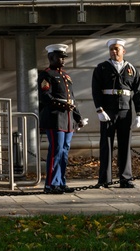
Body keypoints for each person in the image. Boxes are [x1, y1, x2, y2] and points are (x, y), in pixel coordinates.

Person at [91, 38, 140, 188]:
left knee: (125, 145)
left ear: (123, 51)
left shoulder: (131, 69)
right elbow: (96, 90)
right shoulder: (101, 68)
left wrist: (139, 113)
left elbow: (138, 92)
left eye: (117, 49)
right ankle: (104, 180)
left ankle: (125, 178)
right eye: (111, 49)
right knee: (105, 145)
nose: (114, 52)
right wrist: (99, 109)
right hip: (108, 111)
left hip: (125, 111)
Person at [38, 43, 87, 194]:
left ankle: (61, 182)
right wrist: (61, 105)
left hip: (68, 119)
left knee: (64, 151)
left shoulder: (66, 76)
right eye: (60, 57)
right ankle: (50, 184)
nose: (63, 60)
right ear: (51, 57)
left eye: (64, 57)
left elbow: (72, 98)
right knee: (56, 151)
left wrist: (78, 118)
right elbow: (45, 96)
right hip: (55, 118)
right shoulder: (46, 75)